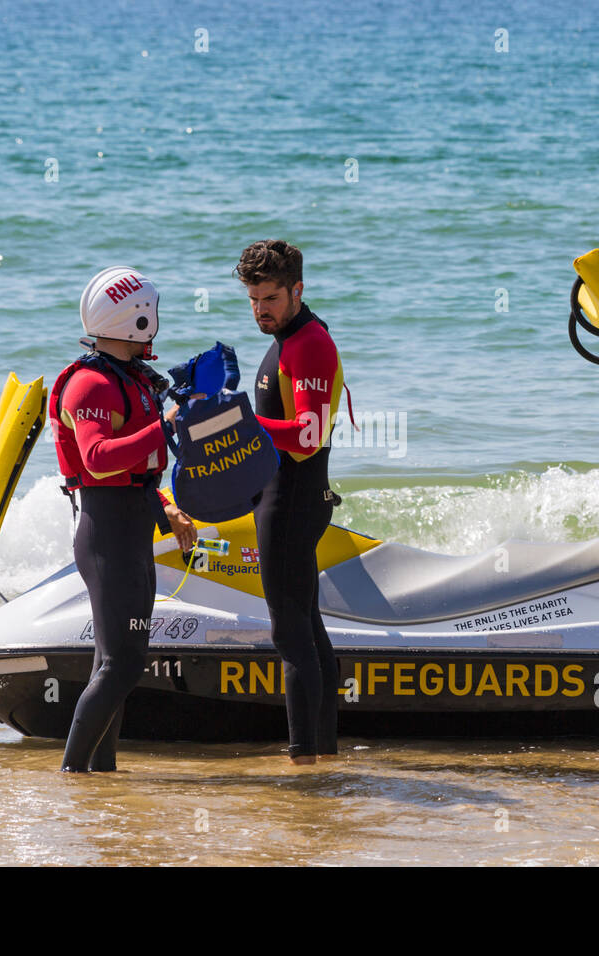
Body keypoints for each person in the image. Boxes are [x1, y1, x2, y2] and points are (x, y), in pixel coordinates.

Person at [49, 266, 196, 773]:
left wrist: (169, 508)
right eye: (150, 314)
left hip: (131, 524)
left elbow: (136, 474)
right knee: (123, 664)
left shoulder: (129, 377)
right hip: (108, 532)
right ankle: (72, 774)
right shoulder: (90, 385)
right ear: (136, 318)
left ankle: (101, 777)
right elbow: (98, 459)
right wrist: (166, 424)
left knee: (112, 663)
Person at [234, 240, 344, 765]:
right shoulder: (284, 337)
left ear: (297, 290)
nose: (261, 308)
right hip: (284, 498)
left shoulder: (309, 345)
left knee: (290, 630)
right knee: (306, 624)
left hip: (295, 500)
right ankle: (322, 752)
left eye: (271, 297)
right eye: (254, 298)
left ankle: (304, 761)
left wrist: (242, 423)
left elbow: (308, 434)